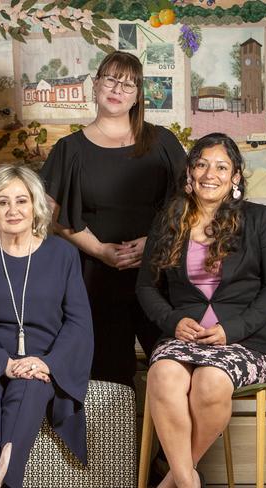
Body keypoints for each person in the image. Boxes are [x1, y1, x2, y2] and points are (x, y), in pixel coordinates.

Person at [136, 133, 266, 488]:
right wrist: (173, 320)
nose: (211, 173)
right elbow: (145, 286)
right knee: (163, 375)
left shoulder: (260, 219)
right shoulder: (167, 221)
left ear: (235, 176)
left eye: (222, 166)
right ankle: (189, 482)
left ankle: (173, 480)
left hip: (245, 340)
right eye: (202, 164)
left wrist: (231, 330)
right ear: (190, 172)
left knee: (210, 380)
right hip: (183, 337)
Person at [40, 50, 186, 387]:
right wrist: (100, 250)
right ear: (95, 85)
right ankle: (114, 441)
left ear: (138, 96)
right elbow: (50, 216)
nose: (117, 89)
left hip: (159, 273)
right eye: (111, 79)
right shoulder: (69, 149)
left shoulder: (162, 141)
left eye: (128, 84)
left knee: (173, 369)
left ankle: (169, 443)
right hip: (95, 277)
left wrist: (152, 244)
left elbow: (189, 204)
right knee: (107, 374)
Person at [0, 165, 93, 488]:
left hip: (40, 360)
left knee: (29, 387)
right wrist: (4, 363)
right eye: (3, 202)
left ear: (35, 206)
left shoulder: (63, 253)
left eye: (22, 201)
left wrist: (47, 362)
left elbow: (78, 322)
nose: (13, 210)